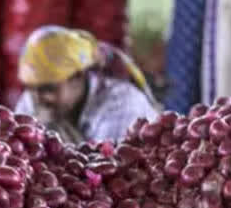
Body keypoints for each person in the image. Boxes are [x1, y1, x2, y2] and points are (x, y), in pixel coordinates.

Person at [14, 25, 160, 143]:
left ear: (78, 76)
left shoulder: (121, 105)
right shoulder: (33, 99)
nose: (37, 99)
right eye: (30, 88)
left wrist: (54, 130)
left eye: (48, 88)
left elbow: (103, 173)